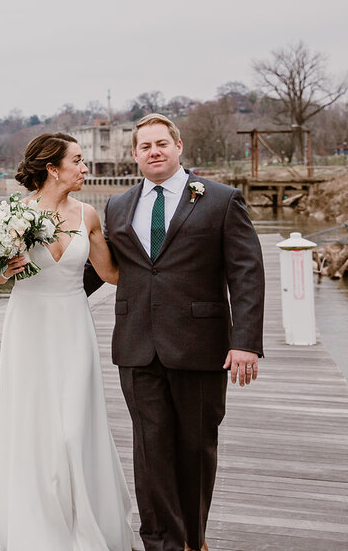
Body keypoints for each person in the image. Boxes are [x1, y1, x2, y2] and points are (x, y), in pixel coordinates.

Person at [94, 113, 265, 551]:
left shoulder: (221, 200)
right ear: (134, 154)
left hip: (200, 346)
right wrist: (35, 276)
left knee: (196, 447)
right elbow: (104, 270)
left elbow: (246, 272)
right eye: (145, 146)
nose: (154, 152)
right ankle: (163, 543)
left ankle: (194, 537)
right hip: (136, 345)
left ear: (179, 146)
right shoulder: (117, 206)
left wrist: (244, 341)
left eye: (161, 144)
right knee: (150, 451)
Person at [0, 132, 133, 550]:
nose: (86, 169)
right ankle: (38, 524)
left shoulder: (88, 215)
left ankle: (85, 519)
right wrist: (7, 266)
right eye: (79, 161)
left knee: (74, 425)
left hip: (73, 324)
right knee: (35, 420)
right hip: (29, 325)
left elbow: (112, 274)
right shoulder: (14, 213)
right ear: (52, 168)